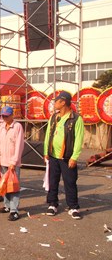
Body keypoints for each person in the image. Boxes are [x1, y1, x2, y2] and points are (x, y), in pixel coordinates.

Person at [43, 91, 84, 220]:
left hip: (67, 157)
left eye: (56, 101)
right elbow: (48, 136)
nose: (54, 103)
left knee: (70, 182)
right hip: (53, 156)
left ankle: (73, 207)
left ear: (63, 102)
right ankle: (52, 204)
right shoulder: (54, 117)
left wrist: (74, 157)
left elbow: (79, 139)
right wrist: (46, 152)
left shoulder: (76, 119)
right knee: (53, 181)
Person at [0, 106, 24, 221]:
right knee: (5, 185)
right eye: (3, 116)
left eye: (7, 116)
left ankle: (14, 210)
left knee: (14, 187)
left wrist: (14, 161)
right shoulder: (1, 127)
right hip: (3, 161)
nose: (5, 118)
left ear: (12, 115)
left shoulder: (17, 127)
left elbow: (19, 146)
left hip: (13, 162)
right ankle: (7, 205)